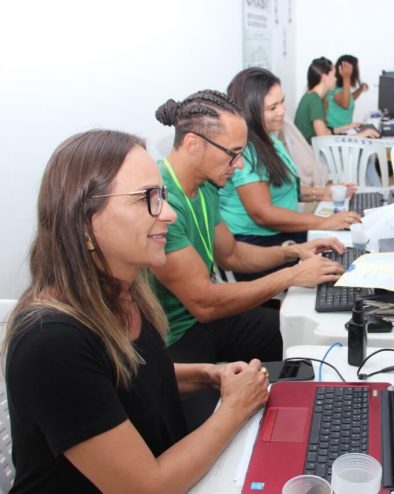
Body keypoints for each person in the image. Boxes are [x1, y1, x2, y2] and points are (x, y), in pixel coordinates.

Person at [4, 129, 270, 492]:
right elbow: (147, 487)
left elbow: (133, 379)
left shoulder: (124, 291)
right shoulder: (50, 343)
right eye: (148, 198)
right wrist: (235, 407)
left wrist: (209, 374)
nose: (169, 214)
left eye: (162, 195)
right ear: (85, 219)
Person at [151, 89, 345, 429]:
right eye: (233, 154)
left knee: (302, 337)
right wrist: (291, 275)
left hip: (206, 324)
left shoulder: (205, 184)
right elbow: (204, 302)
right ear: (194, 144)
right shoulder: (161, 200)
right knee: (211, 435)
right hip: (174, 339)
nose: (239, 164)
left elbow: (232, 253)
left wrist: (292, 252)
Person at [221, 68, 362, 281]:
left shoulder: (268, 138)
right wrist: (323, 222)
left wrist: (323, 193)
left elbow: (283, 188)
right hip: (257, 245)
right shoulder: (246, 150)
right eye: (272, 107)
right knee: (337, 264)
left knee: (343, 246)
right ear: (250, 111)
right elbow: (263, 214)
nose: (282, 111)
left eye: (282, 102)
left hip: (279, 233)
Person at [294, 57, 378, 143]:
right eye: (334, 75)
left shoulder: (311, 96)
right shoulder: (314, 100)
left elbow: (325, 132)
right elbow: (324, 140)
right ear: (324, 77)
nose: (336, 79)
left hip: (311, 147)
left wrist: (348, 126)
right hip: (311, 149)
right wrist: (361, 136)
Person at [326, 54, 369, 129]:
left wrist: (360, 89)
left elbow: (349, 98)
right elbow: (345, 104)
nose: (358, 71)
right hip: (335, 131)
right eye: (357, 69)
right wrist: (346, 77)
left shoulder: (341, 88)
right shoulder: (333, 88)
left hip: (344, 130)